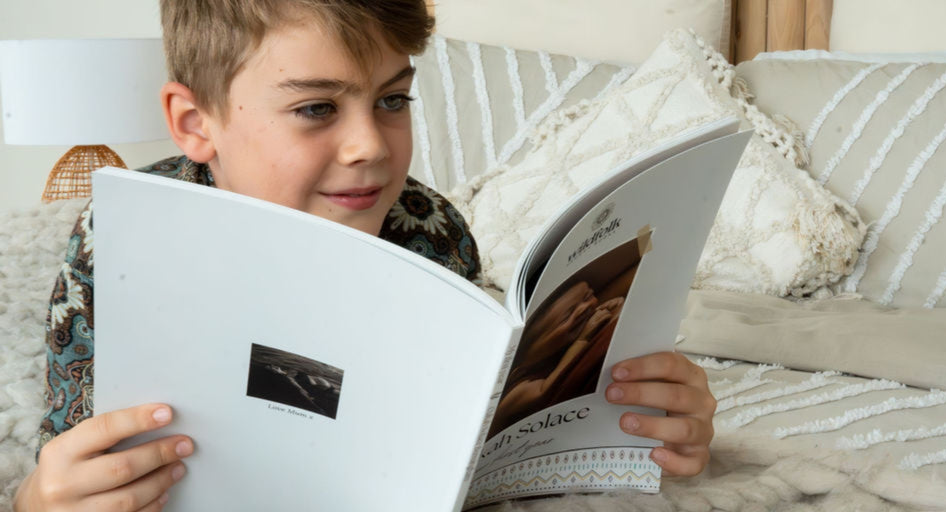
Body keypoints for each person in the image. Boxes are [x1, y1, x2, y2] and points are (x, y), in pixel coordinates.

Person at [14, 1, 716, 510]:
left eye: (392, 100)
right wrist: (45, 501)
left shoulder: (432, 228)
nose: (371, 147)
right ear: (197, 123)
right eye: (317, 108)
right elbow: (78, 455)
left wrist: (644, 429)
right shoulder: (122, 236)